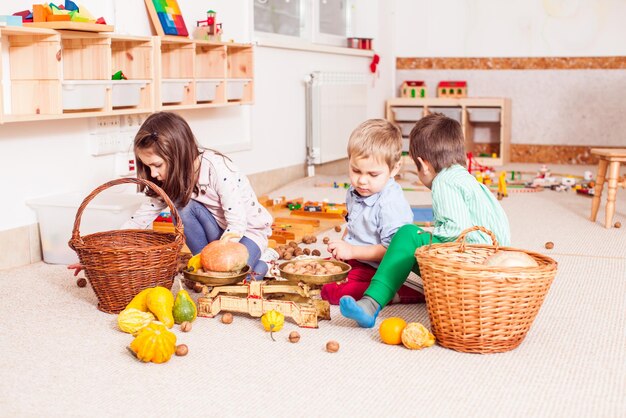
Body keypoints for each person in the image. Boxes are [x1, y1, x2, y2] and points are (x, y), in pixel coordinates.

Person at [340, 113, 511, 327]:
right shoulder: (469, 181)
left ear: (424, 165)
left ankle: (371, 303)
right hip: (492, 268)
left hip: (470, 271)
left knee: (406, 235)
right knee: (412, 237)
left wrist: (419, 238)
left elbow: (454, 229)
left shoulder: (443, 182)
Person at [70, 111, 272, 279]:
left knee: (239, 278)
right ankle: (208, 268)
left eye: (157, 165)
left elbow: (237, 223)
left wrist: (221, 261)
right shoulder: (168, 180)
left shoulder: (217, 168)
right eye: (148, 167)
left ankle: (267, 260)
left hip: (246, 232)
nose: (152, 174)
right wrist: (100, 257)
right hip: (217, 232)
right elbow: (140, 219)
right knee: (182, 207)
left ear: (178, 155)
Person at [320, 119, 421, 305]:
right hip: (358, 258)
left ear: (394, 169)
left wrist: (351, 250)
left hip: (381, 266)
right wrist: (343, 245)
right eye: (356, 171)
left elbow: (393, 252)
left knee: (332, 292)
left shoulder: (390, 203)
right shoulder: (355, 190)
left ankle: (403, 290)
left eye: (373, 175)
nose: (362, 181)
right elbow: (353, 223)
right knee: (319, 274)